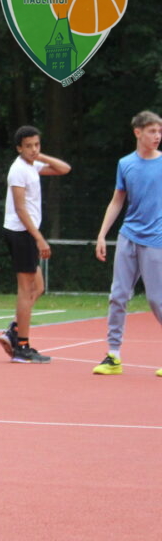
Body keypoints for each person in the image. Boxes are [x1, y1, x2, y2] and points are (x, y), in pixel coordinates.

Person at [90, 110, 162, 376]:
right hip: (128, 235)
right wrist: (102, 234)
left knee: (157, 299)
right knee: (118, 296)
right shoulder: (125, 164)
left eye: (159, 131)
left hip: (156, 239)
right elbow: (117, 200)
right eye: (152, 131)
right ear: (138, 132)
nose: (157, 136)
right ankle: (113, 355)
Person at [0, 125, 71, 363]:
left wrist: (40, 156)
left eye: (36, 145)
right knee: (26, 289)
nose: (33, 149)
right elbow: (20, 208)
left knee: (38, 287)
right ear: (19, 148)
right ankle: (22, 347)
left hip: (26, 233)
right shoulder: (18, 170)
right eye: (28, 146)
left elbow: (64, 169)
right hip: (21, 233)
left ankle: (14, 330)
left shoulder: (33, 165)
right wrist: (39, 238)